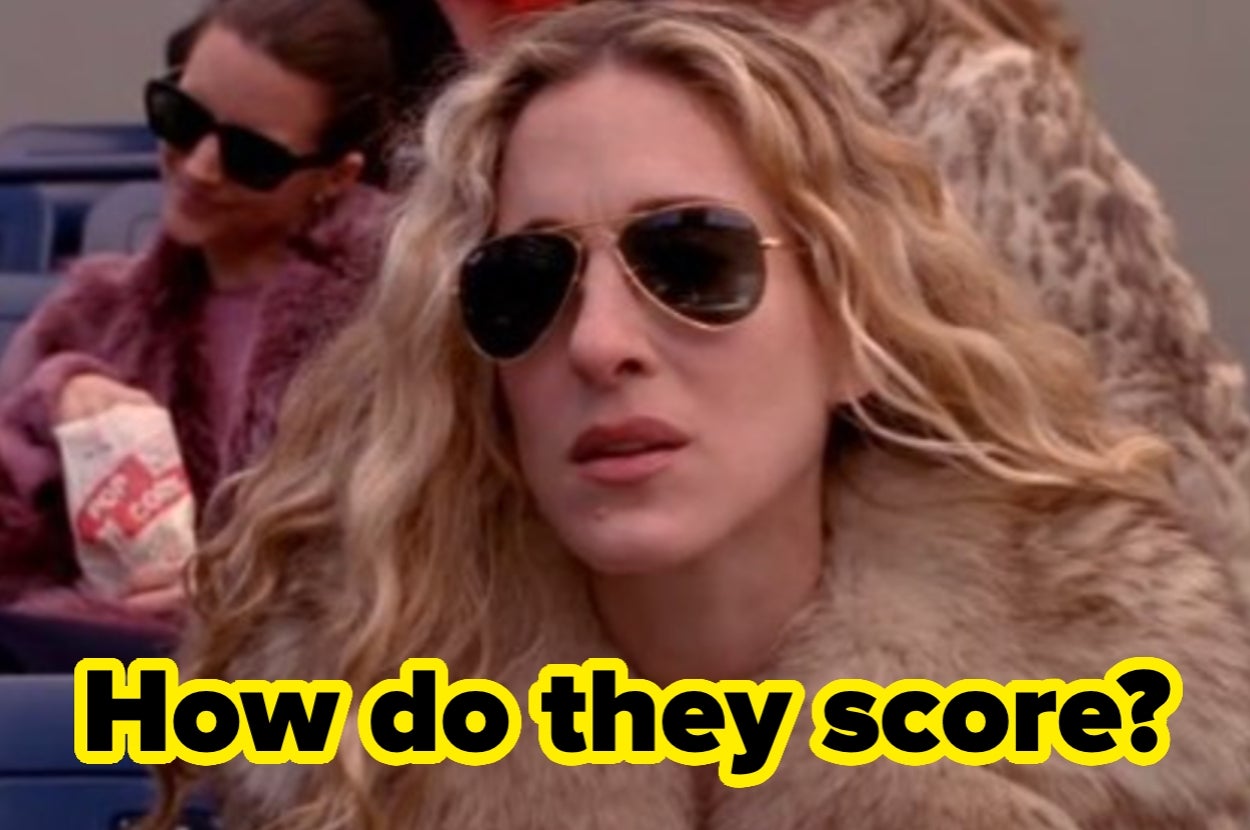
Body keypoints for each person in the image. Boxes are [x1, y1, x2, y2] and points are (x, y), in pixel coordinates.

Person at [147, 2, 1250, 827]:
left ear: (854, 328)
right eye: (526, 281)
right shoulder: (355, 753)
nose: (599, 341)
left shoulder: (1108, 751)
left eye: (691, 259)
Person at [424, 0, 1250, 605]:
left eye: (692, 257)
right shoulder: (562, 95)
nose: (601, 339)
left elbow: (1155, 462)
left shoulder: (979, 104)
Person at [0, 0, 402, 626]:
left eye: (251, 155)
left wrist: (257, 594)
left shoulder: (406, 324)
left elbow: (442, 559)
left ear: (336, 175)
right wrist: (51, 401)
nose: (198, 167)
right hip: (94, 666)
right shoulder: (90, 316)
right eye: (181, 118)